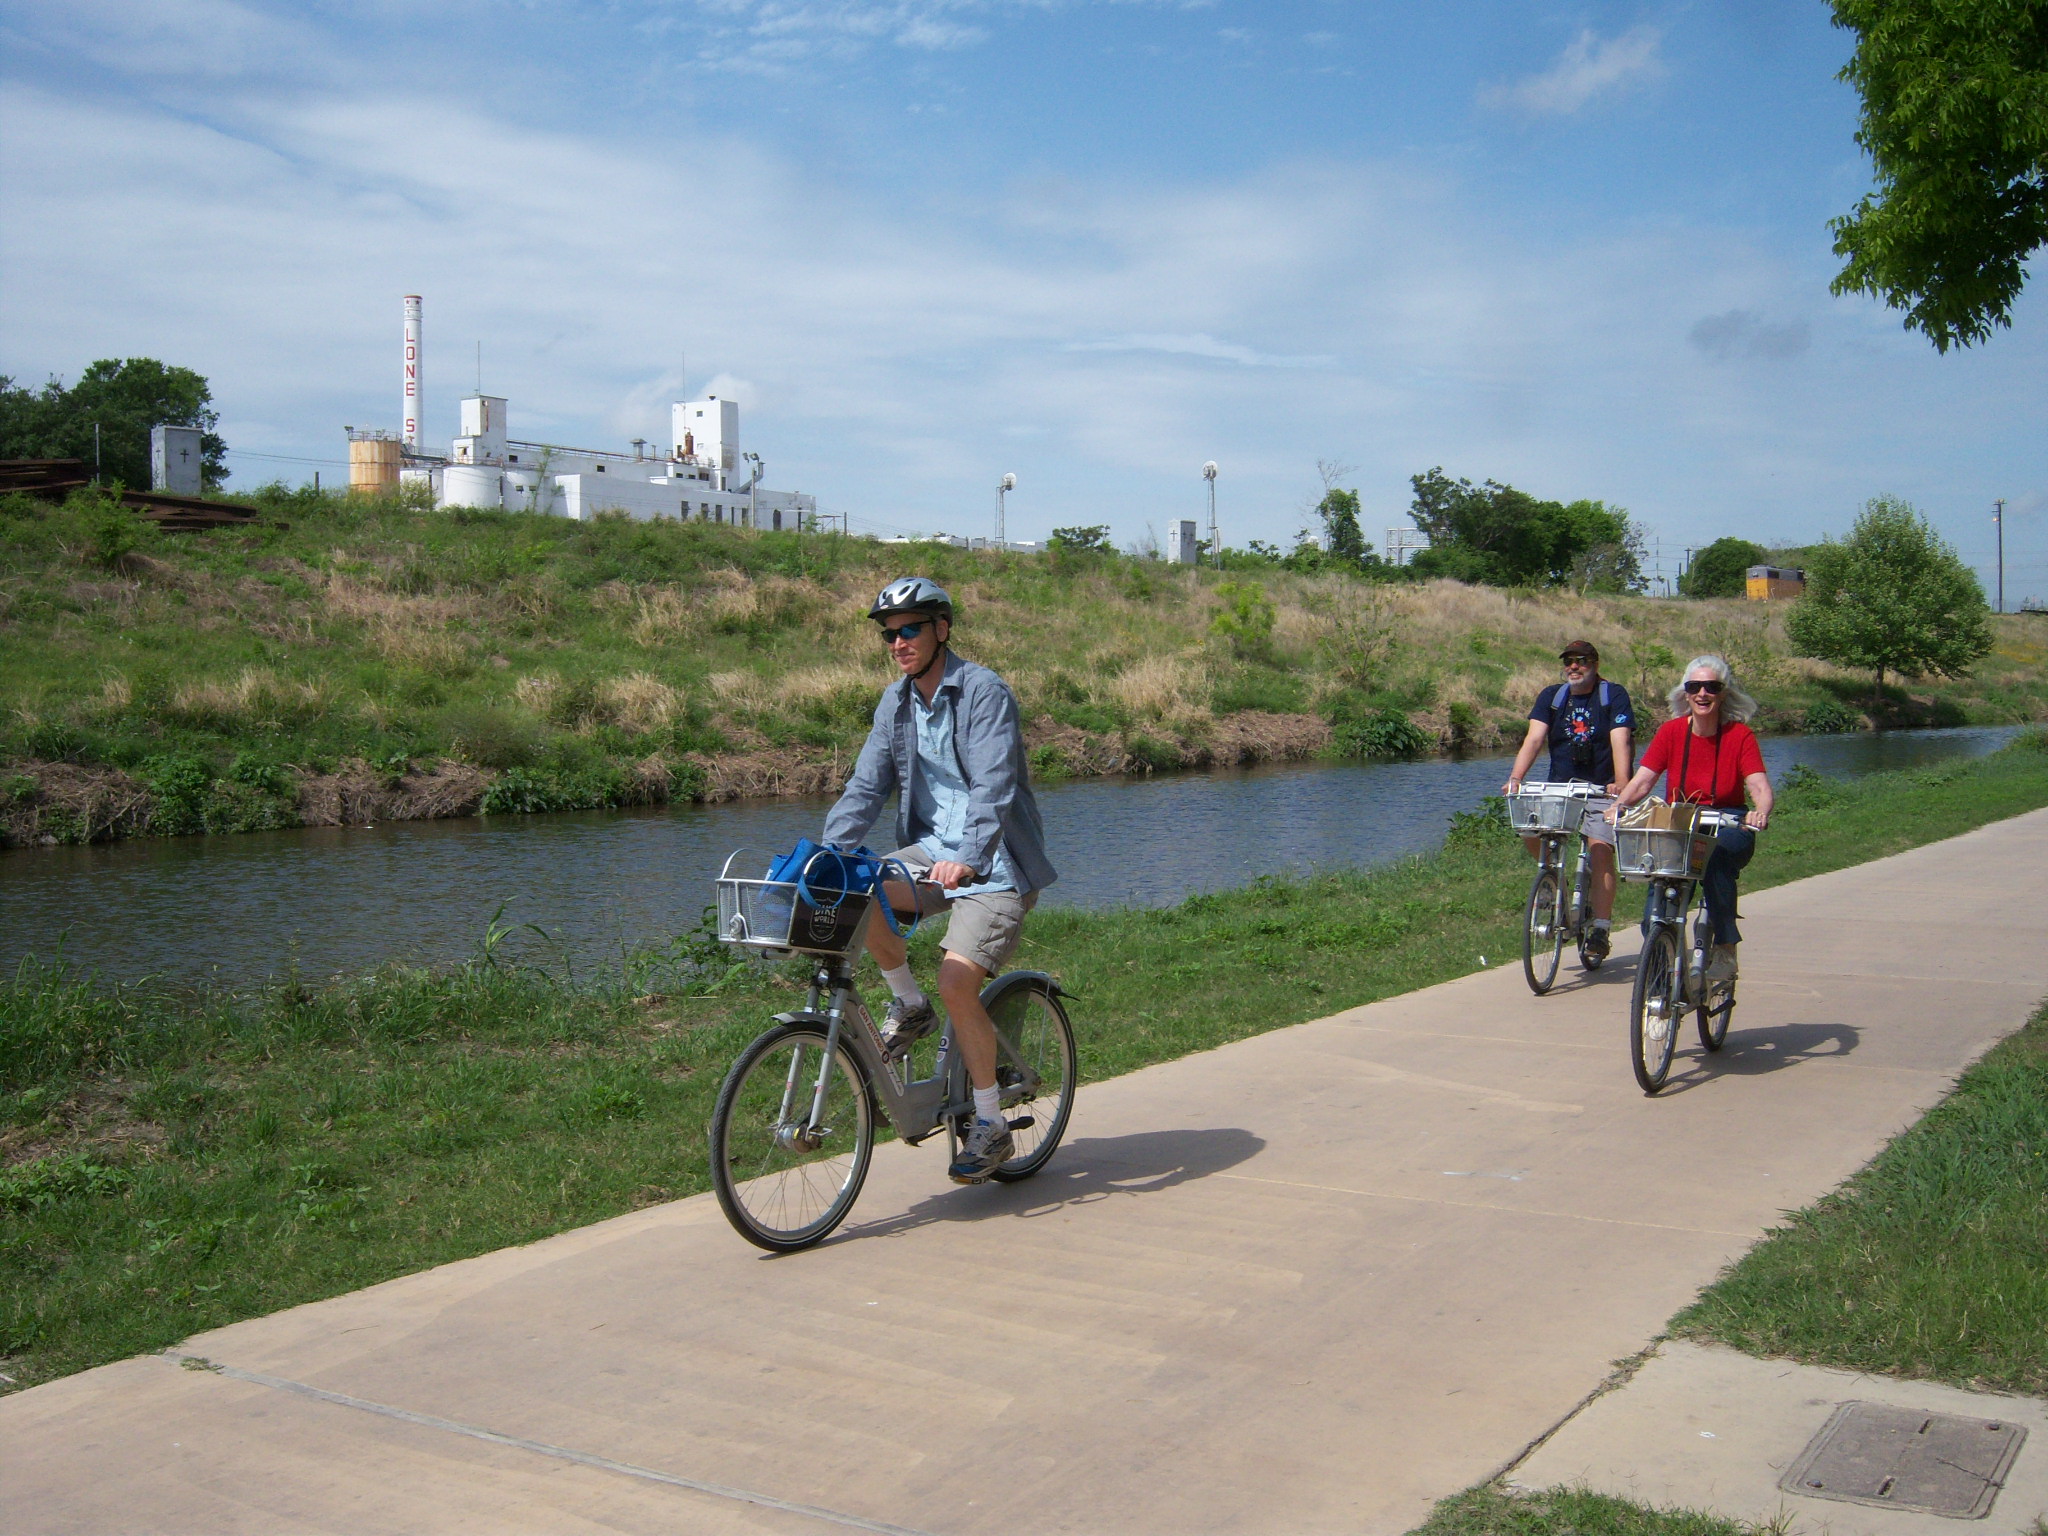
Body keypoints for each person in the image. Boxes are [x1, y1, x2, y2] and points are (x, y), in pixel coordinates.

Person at [821, 577, 1057, 1184]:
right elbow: (867, 787)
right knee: (857, 886)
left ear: (941, 630)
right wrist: (828, 853)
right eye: (889, 634)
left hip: (996, 861)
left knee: (958, 981)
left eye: (910, 630)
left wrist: (971, 856)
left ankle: (990, 1125)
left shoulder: (984, 693)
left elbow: (993, 786)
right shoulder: (895, 703)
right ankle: (908, 1002)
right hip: (935, 850)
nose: (898, 642)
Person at [1610, 654, 1773, 981]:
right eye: (1694, 686)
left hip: (1729, 820)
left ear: (1723, 693)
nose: (1702, 694)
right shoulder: (1671, 732)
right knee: (1654, 898)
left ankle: (1726, 948)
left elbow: (1757, 783)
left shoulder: (1739, 735)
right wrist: (1620, 806)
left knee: (1715, 858)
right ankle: (1663, 967)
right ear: (1685, 693)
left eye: (1711, 687)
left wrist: (1760, 812)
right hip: (1681, 821)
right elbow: (1643, 779)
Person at [1502, 639, 1634, 963]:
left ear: (1595, 663)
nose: (1574, 667)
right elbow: (1533, 739)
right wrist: (1516, 779)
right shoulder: (1552, 697)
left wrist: (1622, 784)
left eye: (1582, 661)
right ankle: (1554, 885)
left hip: (1602, 788)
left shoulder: (1612, 695)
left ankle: (1600, 929)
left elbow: (1621, 741)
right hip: (1560, 788)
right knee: (1529, 829)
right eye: (1569, 661)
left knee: (1600, 848)